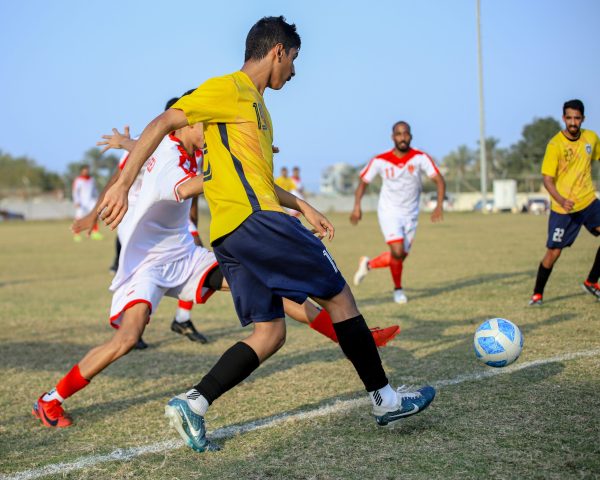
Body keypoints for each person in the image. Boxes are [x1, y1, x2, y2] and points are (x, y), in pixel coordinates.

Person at [97, 16, 435, 453]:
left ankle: (194, 403)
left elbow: (256, 179)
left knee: (270, 333)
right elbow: (164, 121)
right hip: (257, 223)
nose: (293, 71)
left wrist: (303, 205)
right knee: (339, 297)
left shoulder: (258, 113)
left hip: (230, 236)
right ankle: (385, 400)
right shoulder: (230, 88)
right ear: (278, 51)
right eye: (293, 59)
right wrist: (122, 184)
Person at [33, 121, 401, 429]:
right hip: (146, 264)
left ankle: (352, 337)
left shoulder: (181, 146)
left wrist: (126, 143)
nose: (210, 133)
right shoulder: (170, 159)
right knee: (127, 339)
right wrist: (238, 166)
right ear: (186, 125)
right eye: (205, 126)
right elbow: (193, 185)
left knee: (271, 291)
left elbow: (145, 150)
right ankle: (51, 399)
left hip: (184, 255)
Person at [350, 121, 446, 304]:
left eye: (406, 134)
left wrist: (439, 205)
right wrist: (357, 207)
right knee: (397, 250)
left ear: (411, 136)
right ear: (392, 137)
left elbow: (439, 180)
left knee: (399, 256)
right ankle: (398, 290)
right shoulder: (380, 160)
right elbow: (363, 183)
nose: (403, 137)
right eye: (399, 134)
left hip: (411, 213)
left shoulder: (420, 157)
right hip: (389, 211)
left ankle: (368, 264)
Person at [528, 99, 600, 306]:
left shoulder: (591, 138)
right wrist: (561, 199)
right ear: (563, 118)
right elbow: (547, 180)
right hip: (563, 209)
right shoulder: (555, 145)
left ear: (583, 118)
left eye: (577, 118)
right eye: (569, 118)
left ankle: (591, 282)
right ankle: (537, 294)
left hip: (588, 201)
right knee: (554, 252)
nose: (573, 122)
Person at [72, 165, 102, 242]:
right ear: (81, 171)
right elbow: (75, 192)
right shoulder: (78, 180)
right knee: (78, 217)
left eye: (87, 170)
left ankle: (95, 233)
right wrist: (76, 201)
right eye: (84, 170)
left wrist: (98, 199)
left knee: (95, 215)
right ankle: (76, 234)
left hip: (91, 201)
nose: (86, 172)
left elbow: (94, 190)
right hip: (81, 202)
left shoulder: (92, 180)